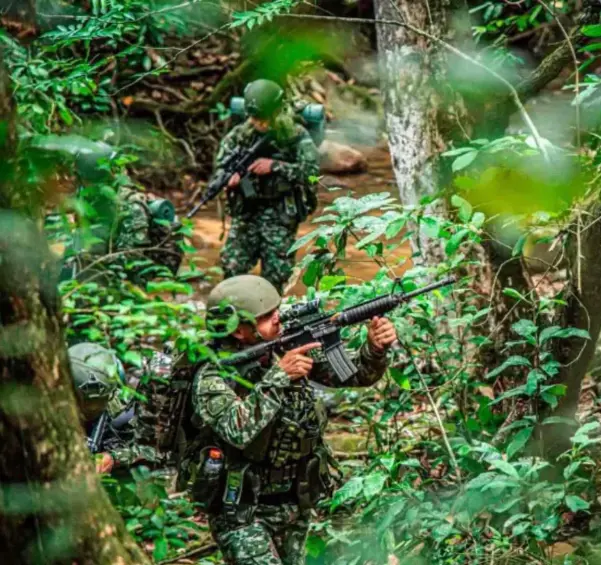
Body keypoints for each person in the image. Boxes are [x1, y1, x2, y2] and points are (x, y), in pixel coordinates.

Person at [181, 275, 396, 565]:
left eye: (276, 310)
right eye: (266, 316)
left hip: (296, 497)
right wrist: (280, 376)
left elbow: (352, 375)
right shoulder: (213, 374)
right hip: (241, 510)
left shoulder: (281, 347)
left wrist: (375, 349)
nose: (277, 318)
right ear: (239, 331)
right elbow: (237, 429)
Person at [213, 79, 320, 292]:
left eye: (264, 118)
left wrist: (275, 166)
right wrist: (230, 177)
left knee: (276, 274)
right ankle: (235, 311)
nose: (259, 124)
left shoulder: (295, 134)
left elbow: (311, 173)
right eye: (255, 118)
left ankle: (271, 313)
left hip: (280, 212)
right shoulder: (240, 135)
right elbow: (221, 165)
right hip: (247, 211)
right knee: (232, 267)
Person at [59, 142, 183, 284]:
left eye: (82, 177)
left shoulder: (131, 207)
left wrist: (89, 261)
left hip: (124, 279)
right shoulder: (91, 198)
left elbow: (132, 259)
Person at [69, 343, 161, 472]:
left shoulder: (123, 409)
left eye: (98, 401)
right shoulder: (48, 409)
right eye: (85, 401)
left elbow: (150, 450)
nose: (92, 408)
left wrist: (113, 458)